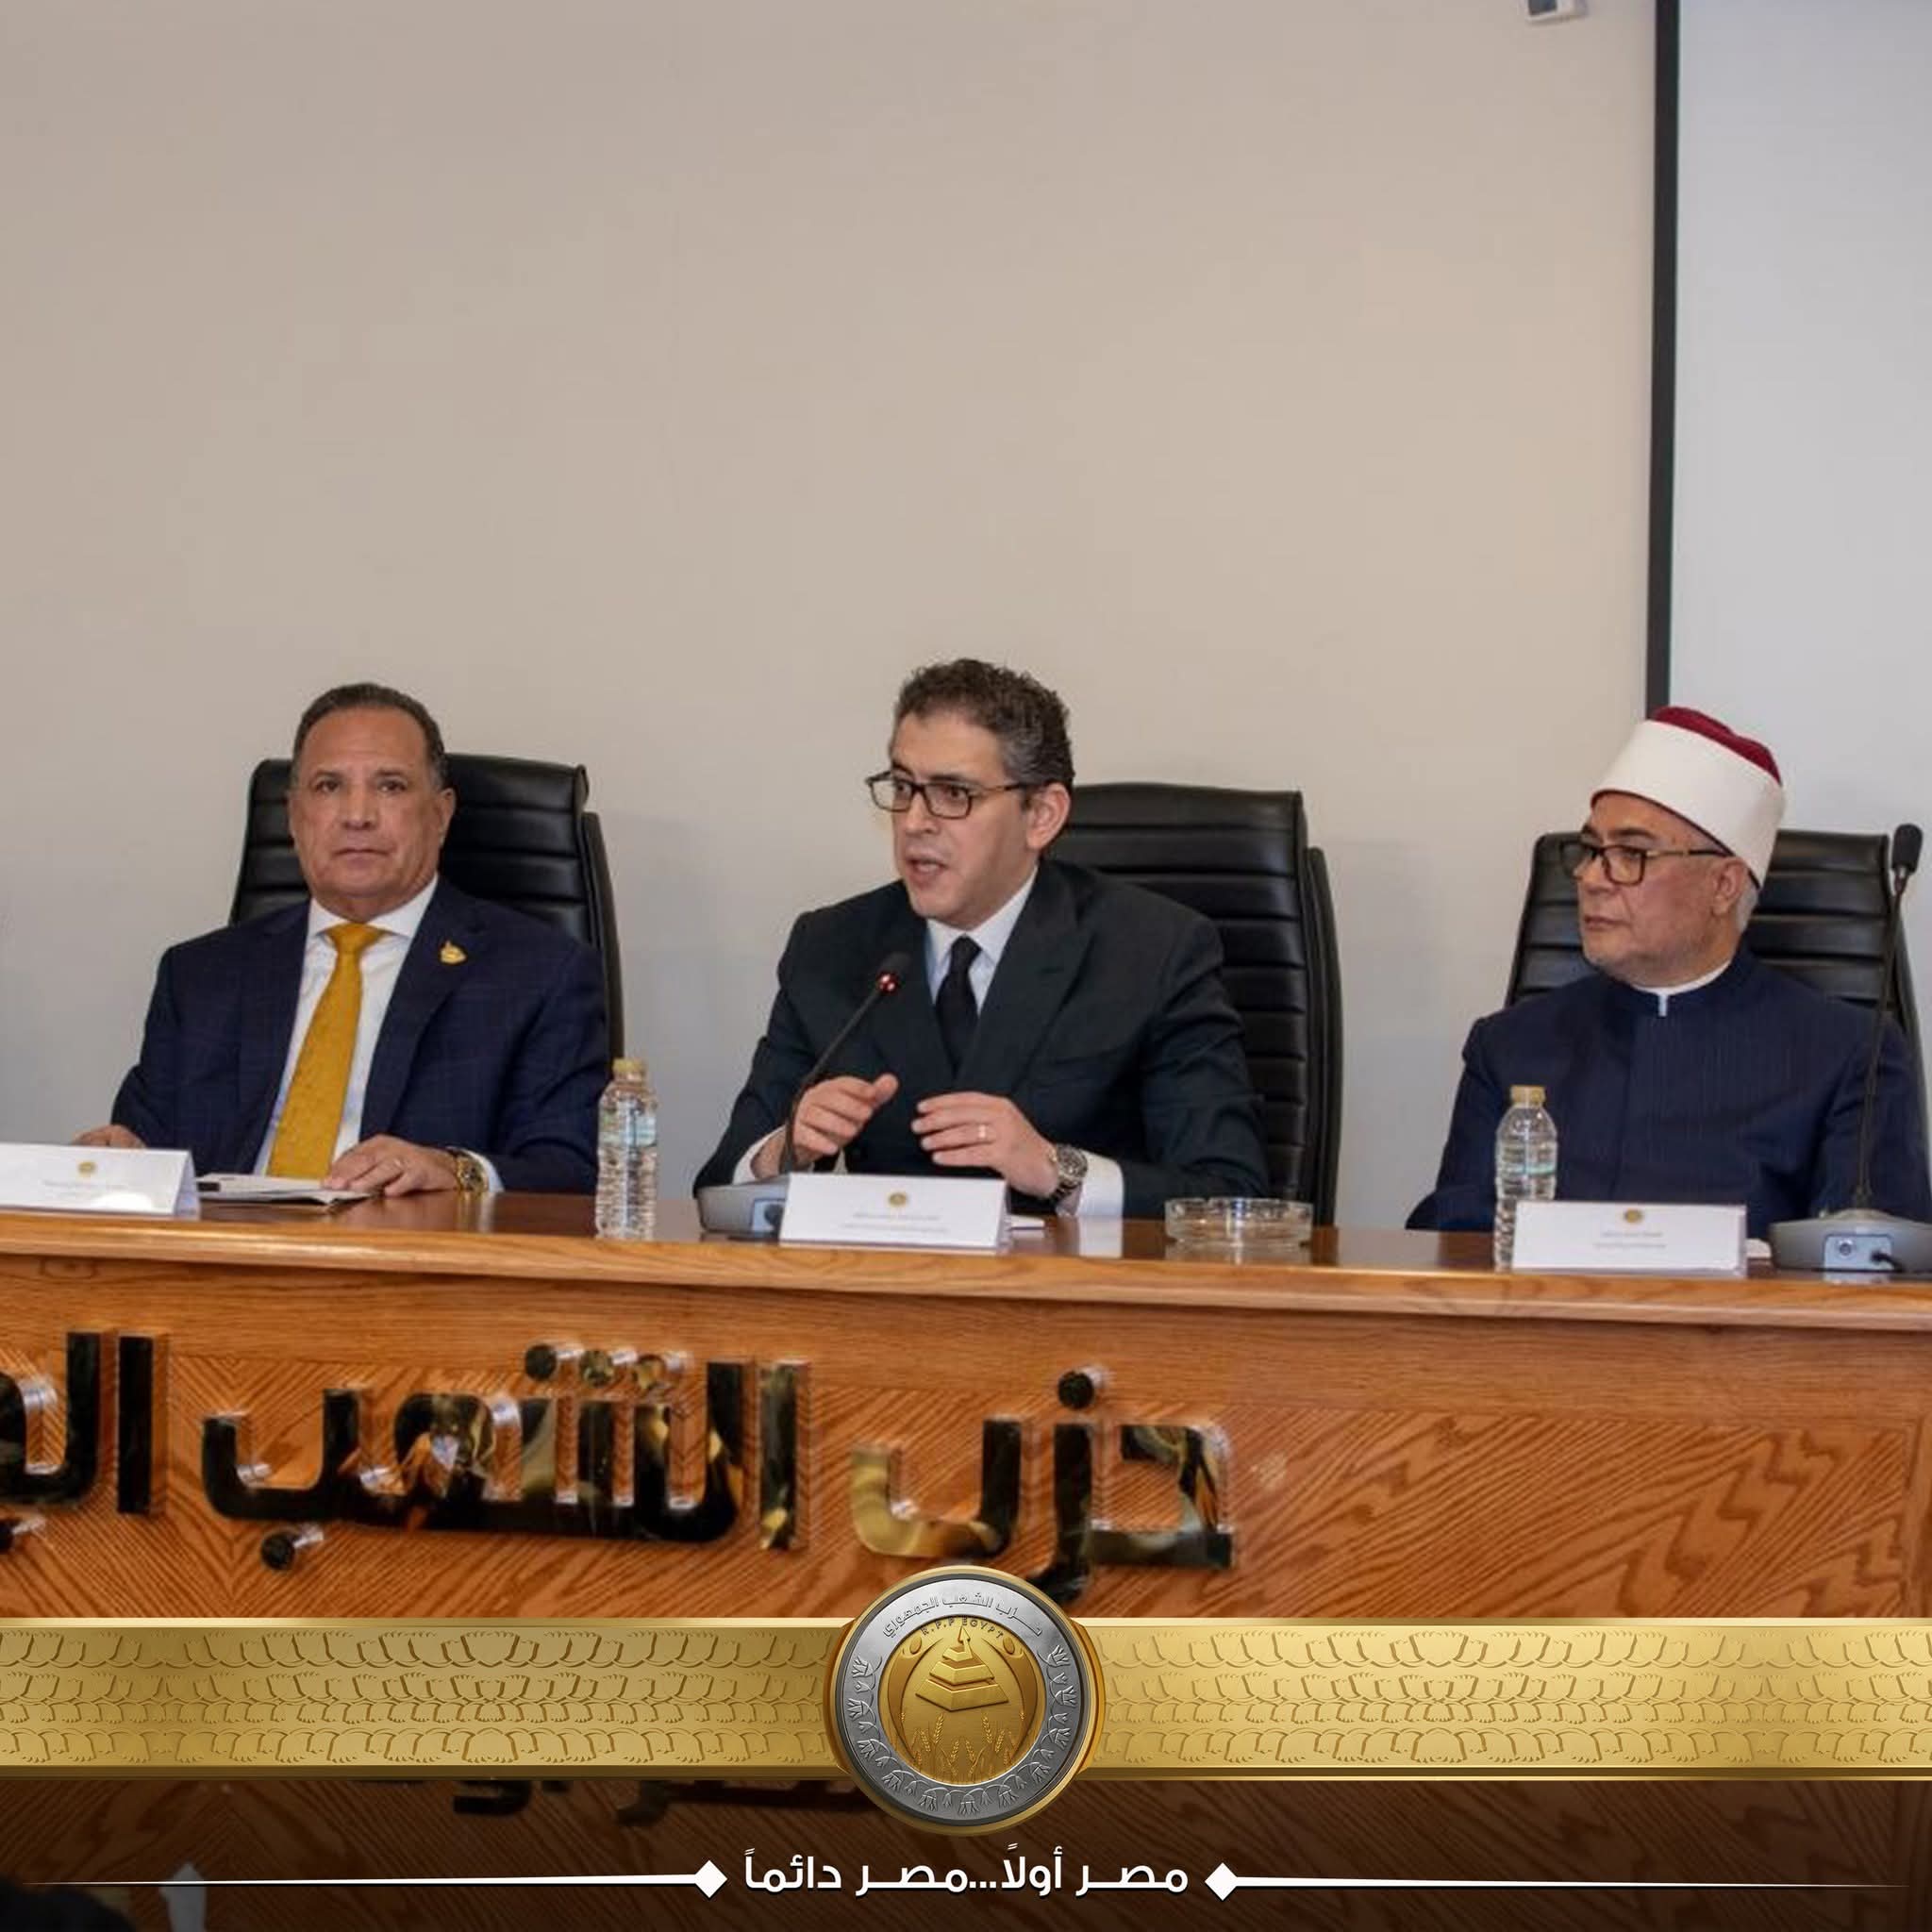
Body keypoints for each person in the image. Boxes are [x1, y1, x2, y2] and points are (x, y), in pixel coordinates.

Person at [695, 658, 1268, 1217]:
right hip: (888, 1278)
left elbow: (1228, 1192)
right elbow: (717, 1189)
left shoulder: (1153, 951)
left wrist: (1055, 1168)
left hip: (1069, 1279)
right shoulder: (832, 948)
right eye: (903, 786)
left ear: (1041, 815)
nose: (914, 821)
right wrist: (782, 1149)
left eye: (954, 794)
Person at [1409, 706, 1932, 1238]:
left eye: (1631, 853)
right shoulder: (1510, 1046)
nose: (1591, 877)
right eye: (1590, 849)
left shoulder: (1850, 1055)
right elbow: (1451, 1244)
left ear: (1723, 886)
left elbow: (1877, 1260)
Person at [77, 683, 607, 1193]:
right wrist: (114, 1157)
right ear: (293, 816)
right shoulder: (199, 975)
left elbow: (571, 1171)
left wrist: (455, 1170)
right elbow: (144, 1153)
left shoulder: (540, 974)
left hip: (407, 1251)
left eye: (390, 786)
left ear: (440, 814)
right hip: (224, 1248)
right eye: (329, 786)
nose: (357, 816)